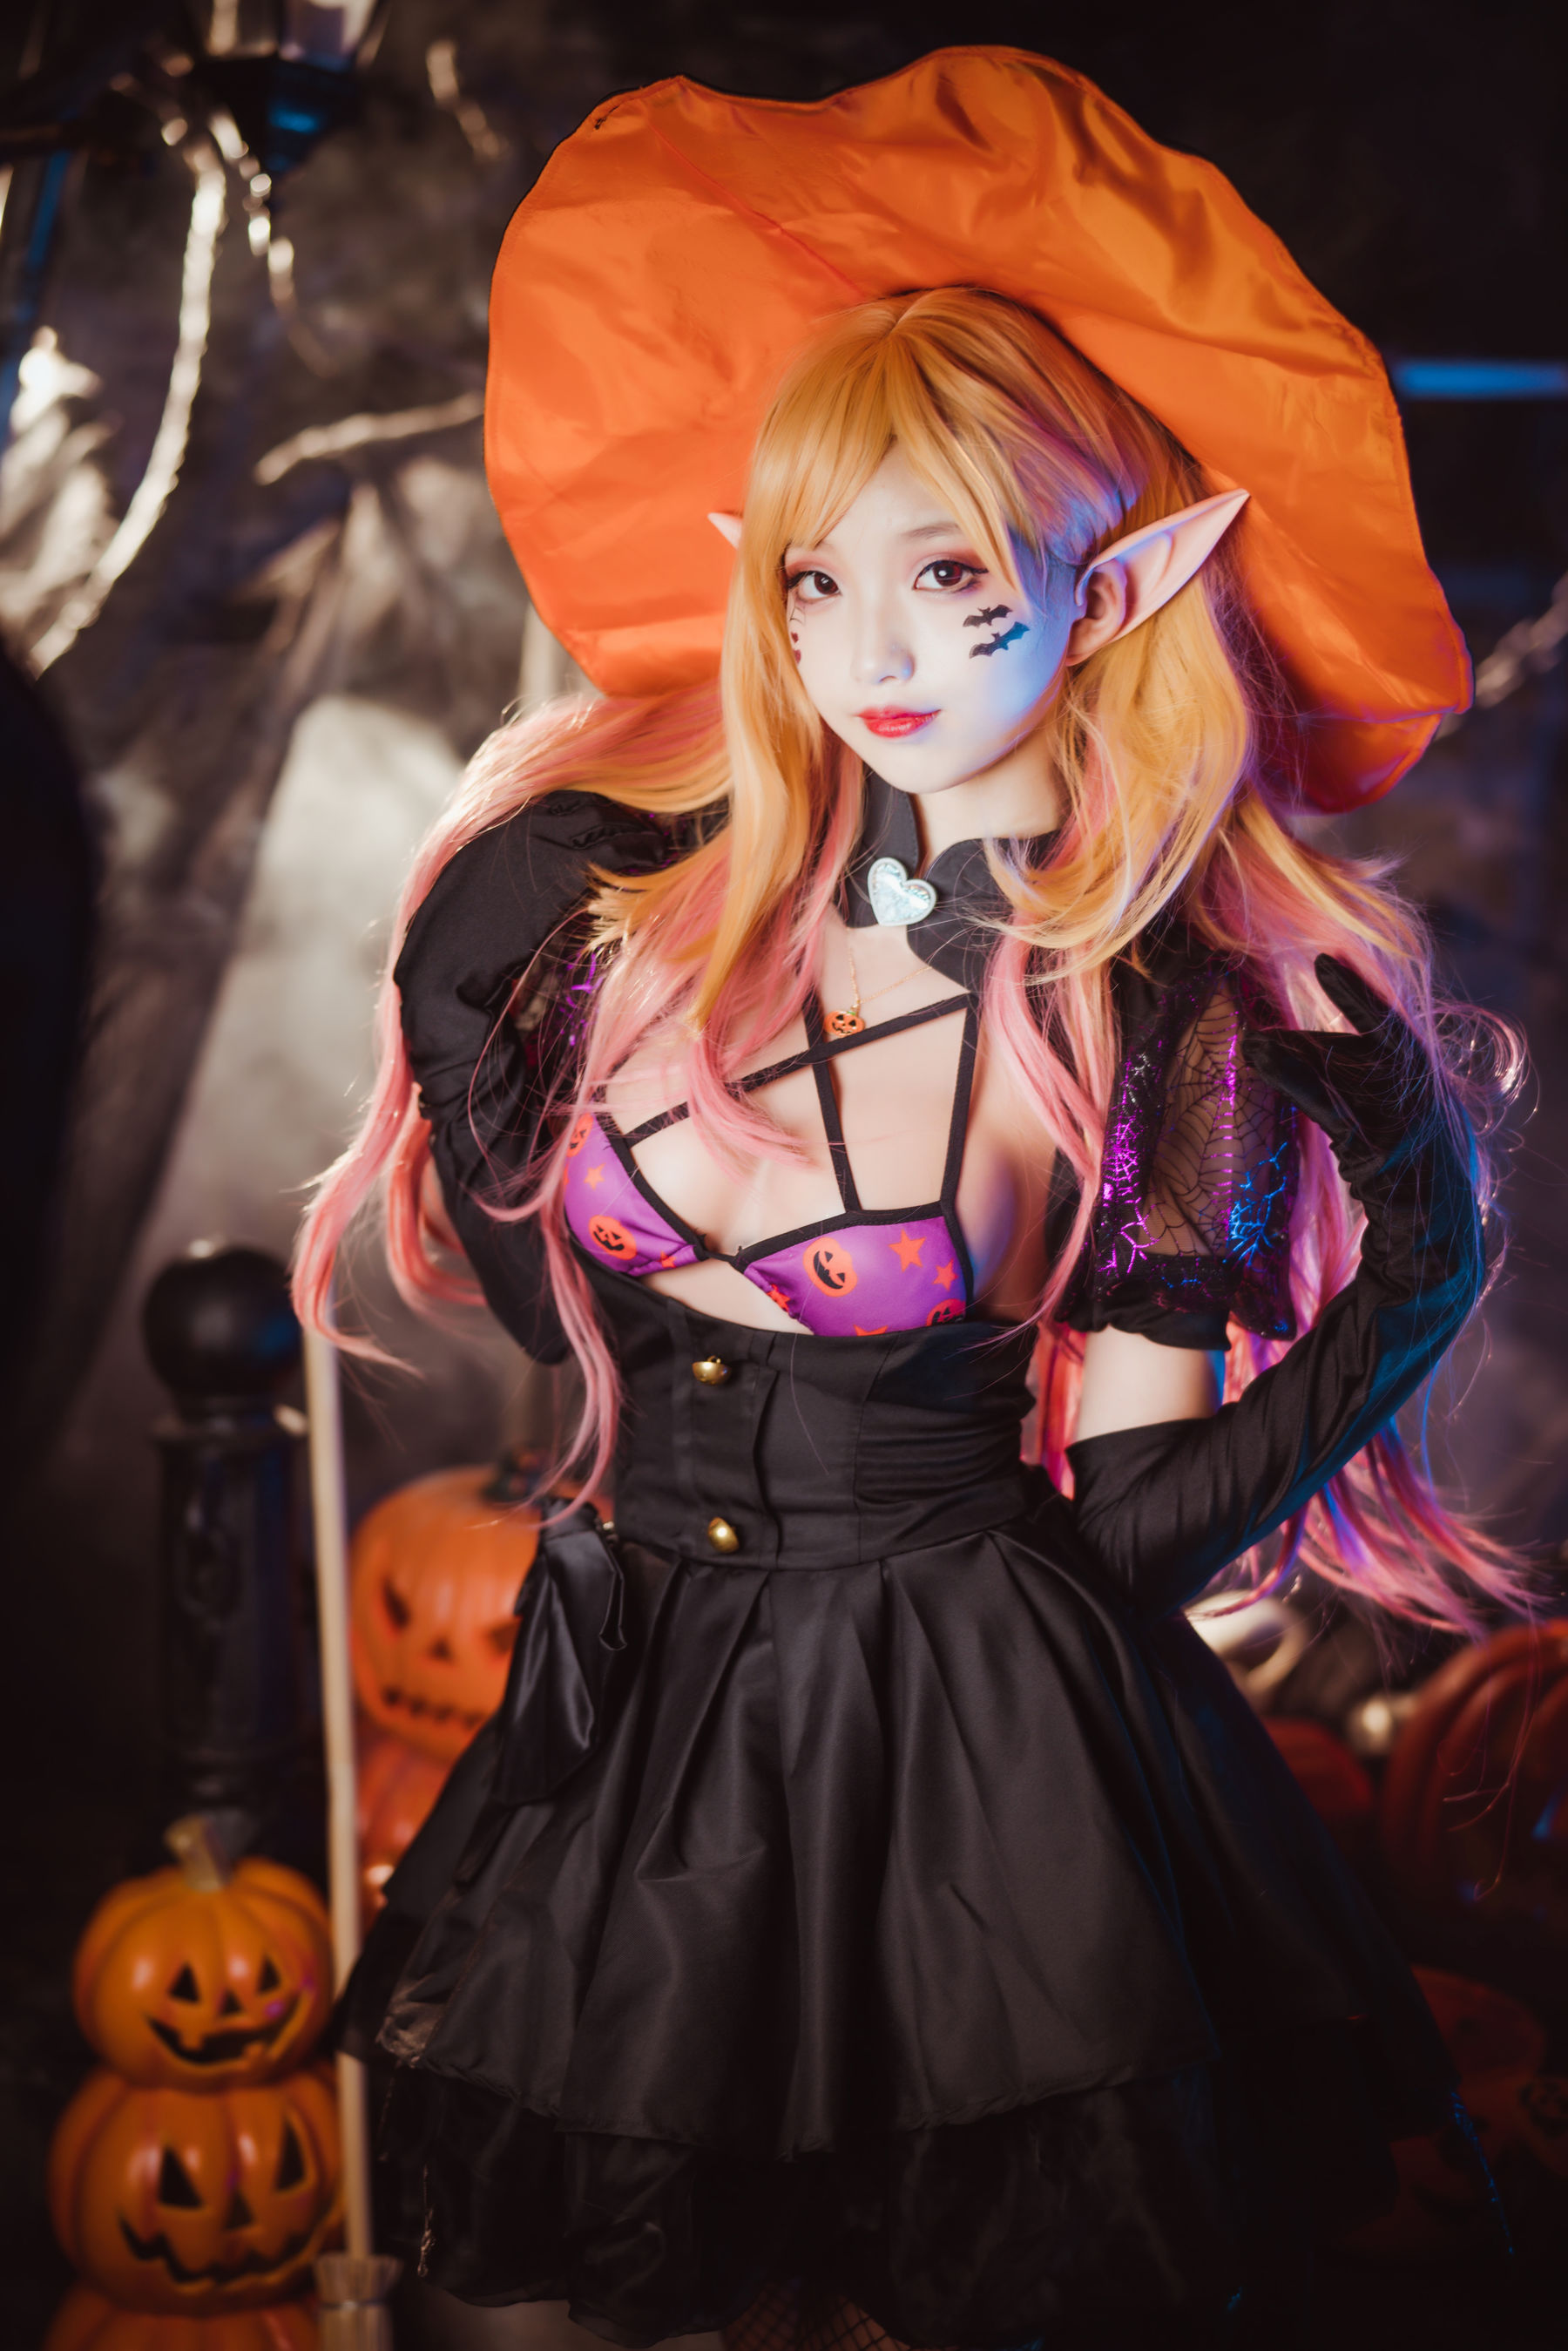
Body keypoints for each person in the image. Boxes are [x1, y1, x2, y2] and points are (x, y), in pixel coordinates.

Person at [295, 50, 1529, 2351]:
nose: (865, 651)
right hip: (646, 1705)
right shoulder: (637, 914)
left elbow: (1136, 1516)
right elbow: (539, 1299)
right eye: (818, 574)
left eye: (947, 574)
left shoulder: (1153, 1023)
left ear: (1116, 587)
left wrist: (1416, 1274)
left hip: (970, 1752)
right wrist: (474, 973)